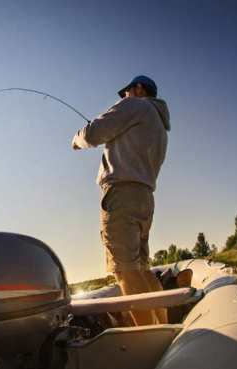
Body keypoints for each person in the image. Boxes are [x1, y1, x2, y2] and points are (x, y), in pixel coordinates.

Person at [71, 75, 170, 325]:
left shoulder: (135, 105)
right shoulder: (159, 124)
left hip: (122, 197)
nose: (123, 97)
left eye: (125, 92)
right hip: (145, 199)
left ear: (138, 89)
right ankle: (166, 327)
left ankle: (152, 345)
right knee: (143, 270)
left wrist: (77, 140)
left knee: (125, 272)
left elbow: (93, 134)